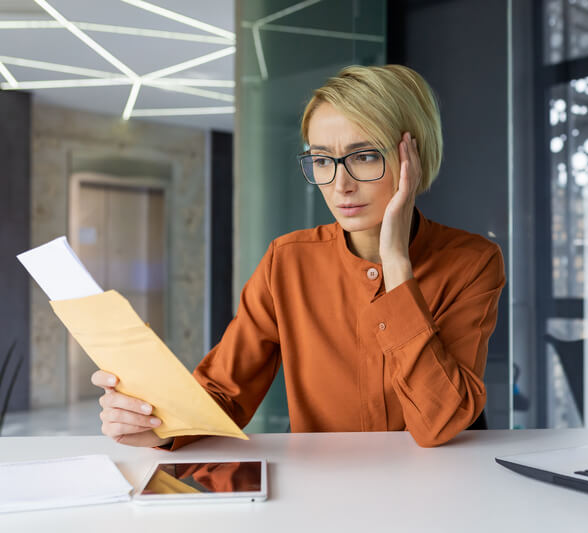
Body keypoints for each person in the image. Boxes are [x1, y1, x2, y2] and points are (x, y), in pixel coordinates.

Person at [91, 65, 506, 449]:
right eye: (323, 160)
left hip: (440, 499)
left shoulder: (472, 262)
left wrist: (396, 263)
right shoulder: (286, 262)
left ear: (411, 160)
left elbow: (440, 422)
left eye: (364, 156)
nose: (339, 184)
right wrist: (154, 425)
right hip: (318, 495)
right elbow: (223, 394)